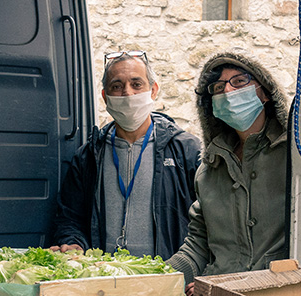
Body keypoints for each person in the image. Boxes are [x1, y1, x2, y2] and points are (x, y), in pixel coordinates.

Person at [165, 50, 294, 296]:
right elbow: (199, 245)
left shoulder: (293, 158)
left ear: (265, 92)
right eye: (218, 87)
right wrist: (160, 277)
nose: (228, 92)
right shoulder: (209, 171)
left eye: (239, 82)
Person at [51, 50, 202, 259]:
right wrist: (73, 243)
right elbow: (70, 218)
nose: (128, 93)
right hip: (105, 279)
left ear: (153, 90)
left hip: (168, 279)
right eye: (117, 86)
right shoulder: (89, 156)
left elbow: (209, 222)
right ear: (105, 97)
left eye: (136, 84)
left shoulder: (187, 151)